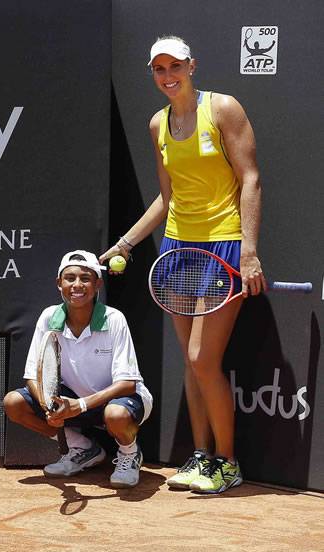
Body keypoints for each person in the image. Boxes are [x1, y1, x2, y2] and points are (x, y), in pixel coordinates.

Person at [99, 36, 265, 494]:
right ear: (152, 72)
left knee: (201, 358)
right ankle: (201, 457)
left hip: (223, 246)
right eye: (159, 69)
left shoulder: (224, 109)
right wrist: (126, 244)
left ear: (192, 65)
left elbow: (250, 178)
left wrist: (249, 251)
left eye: (175, 66)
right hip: (177, 250)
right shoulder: (158, 124)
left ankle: (228, 463)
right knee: (192, 366)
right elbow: (167, 198)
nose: (168, 76)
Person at [4, 251, 153, 489]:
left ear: (97, 285)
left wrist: (80, 405)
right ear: (59, 283)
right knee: (14, 403)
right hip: (71, 402)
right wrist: (49, 408)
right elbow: (33, 375)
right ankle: (82, 448)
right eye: (70, 278)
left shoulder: (114, 319)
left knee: (115, 415)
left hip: (118, 401)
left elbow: (127, 383)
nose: (77, 285)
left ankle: (129, 453)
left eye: (85, 278)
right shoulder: (48, 317)